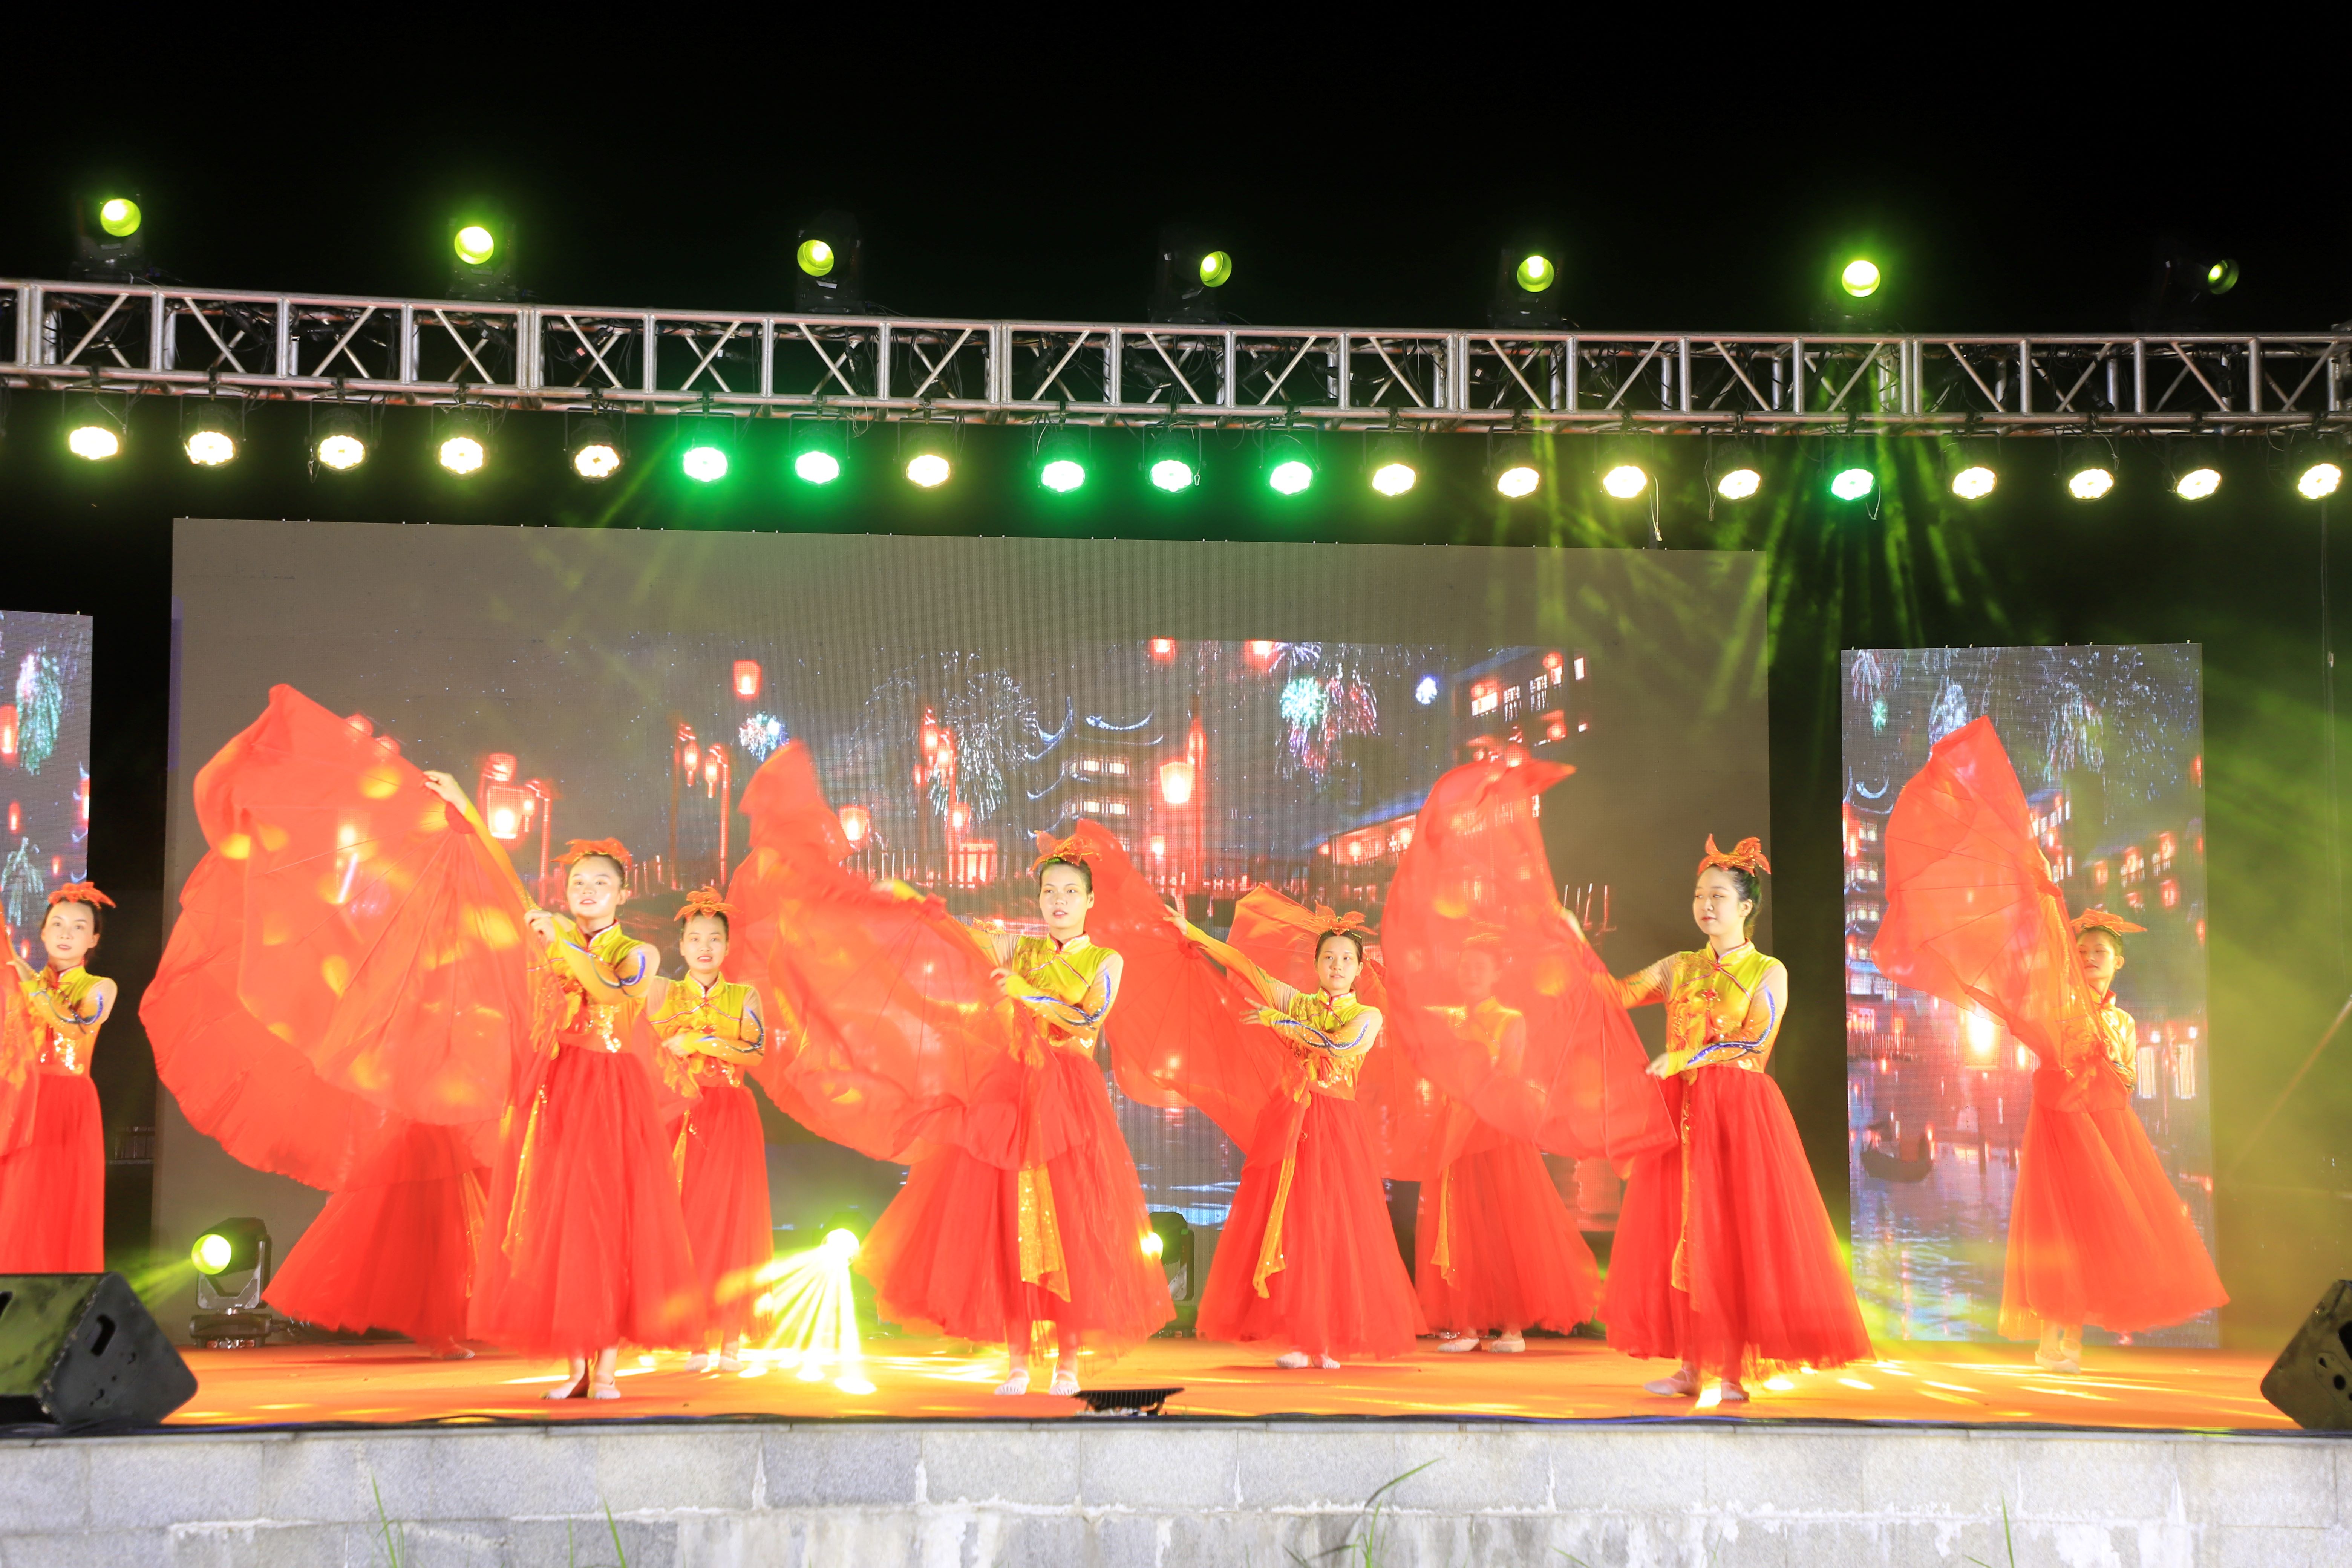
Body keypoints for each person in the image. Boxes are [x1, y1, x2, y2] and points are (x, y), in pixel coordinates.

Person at [728, 746, 1171, 1398]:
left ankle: (1068, 1361)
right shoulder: (1021, 949)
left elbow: (1084, 1019)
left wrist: (1024, 992)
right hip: (1011, 1095)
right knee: (1007, 1226)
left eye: (1070, 893)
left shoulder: (1105, 960)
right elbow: (961, 938)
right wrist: (908, 903)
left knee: (1070, 1226)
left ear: (1089, 901)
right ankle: (1017, 1360)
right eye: (1050, 892)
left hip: (1069, 1099)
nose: (1058, 902)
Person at [1872, 716, 2225, 1371]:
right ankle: (2052, 1338)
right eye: (2083, 951)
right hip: (2059, 1129)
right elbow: (2045, 960)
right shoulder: (2059, 1001)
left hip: (2106, 1133)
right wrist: (2041, 897)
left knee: (2102, 1232)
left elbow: (2125, 1080)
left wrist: (2105, 1057)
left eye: (2100, 954)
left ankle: (2075, 1338)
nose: (2089, 960)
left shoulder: (2122, 1022)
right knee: (2058, 1232)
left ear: (2118, 964)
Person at [1605, 836, 1872, 1402]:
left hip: (1738, 1114)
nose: (1706, 905)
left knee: (1731, 1233)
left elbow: (1755, 1041)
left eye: (1719, 896)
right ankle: (1691, 1365)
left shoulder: (1766, 970)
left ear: (1747, 907)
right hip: (1681, 1113)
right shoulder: (1679, 967)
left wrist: (1685, 1057)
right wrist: (1568, 946)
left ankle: (1731, 1370)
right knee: (1680, 1231)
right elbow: (1614, 994)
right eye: (1700, 895)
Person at [457, 821, 704, 1400]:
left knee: (611, 1219)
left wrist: (562, 943)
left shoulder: (638, 953)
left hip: (612, 1092)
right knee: (559, 1220)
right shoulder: (550, 942)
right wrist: (464, 809)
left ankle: (608, 1368)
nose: (588, 891)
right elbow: (504, 886)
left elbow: (613, 992)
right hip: (559, 1089)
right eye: (577, 883)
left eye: (601, 883)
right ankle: (575, 1367)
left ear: (623, 894)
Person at [1174, 908, 1427, 1368]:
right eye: (1329, 957)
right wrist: (1192, 933)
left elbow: (1338, 1046)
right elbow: (1248, 969)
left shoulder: (1368, 1015)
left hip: (1337, 1127)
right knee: (1291, 1224)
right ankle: (1296, 1334)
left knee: (1332, 1227)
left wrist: (1280, 1022)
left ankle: (1325, 1339)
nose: (1336, 965)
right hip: (1293, 1121)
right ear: (1316, 964)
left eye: (1346, 959)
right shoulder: (1299, 1002)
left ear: (1360, 967)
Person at [1413, 935, 1602, 1352]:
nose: (1471, 973)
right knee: (1460, 1223)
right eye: (1465, 965)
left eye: (1480, 966)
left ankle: (1512, 1328)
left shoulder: (1509, 1019)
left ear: (1497, 973)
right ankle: (1468, 1326)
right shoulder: (1447, 1017)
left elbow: (1508, 1075)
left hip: (1495, 1129)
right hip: (1455, 1129)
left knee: (1504, 1225)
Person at [645, 887, 772, 1374]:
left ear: (728, 946)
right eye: (695, 938)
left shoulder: (744, 996)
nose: (705, 947)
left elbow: (756, 1051)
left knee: (734, 1220)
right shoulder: (662, 992)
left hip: (730, 1116)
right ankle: (694, 1339)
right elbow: (642, 1046)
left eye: (715, 939)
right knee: (685, 1221)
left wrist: (703, 1042)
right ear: (681, 945)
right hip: (678, 1115)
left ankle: (731, 1341)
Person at [0, 885, 120, 1272]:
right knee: (16, 1204)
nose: (66, 933)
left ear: (93, 938)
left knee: (58, 1202)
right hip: (25, 1101)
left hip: (69, 1103)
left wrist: (30, 983)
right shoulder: (19, 985)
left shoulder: (100, 987)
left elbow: (76, 1026)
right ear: (43, 932)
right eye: (58, 924)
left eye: (79, 926)